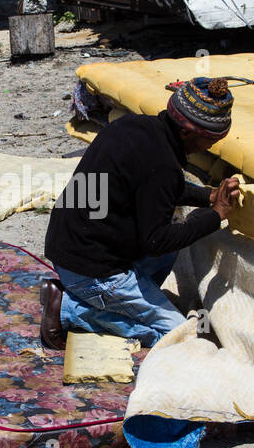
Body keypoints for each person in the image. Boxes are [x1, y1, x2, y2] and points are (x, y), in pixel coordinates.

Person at [40, 76, 242, 349]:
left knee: (175, 242)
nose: (212, 146)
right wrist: (215, 215)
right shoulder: (162, 163)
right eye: (210, 139)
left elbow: (158, 188)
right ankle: (69, 309)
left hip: (68, 246)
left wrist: (208, 196)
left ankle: (118, 300)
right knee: (182, 336)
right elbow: (156, 240)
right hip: (91, 270)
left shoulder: (132, 127)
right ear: (188, 131)